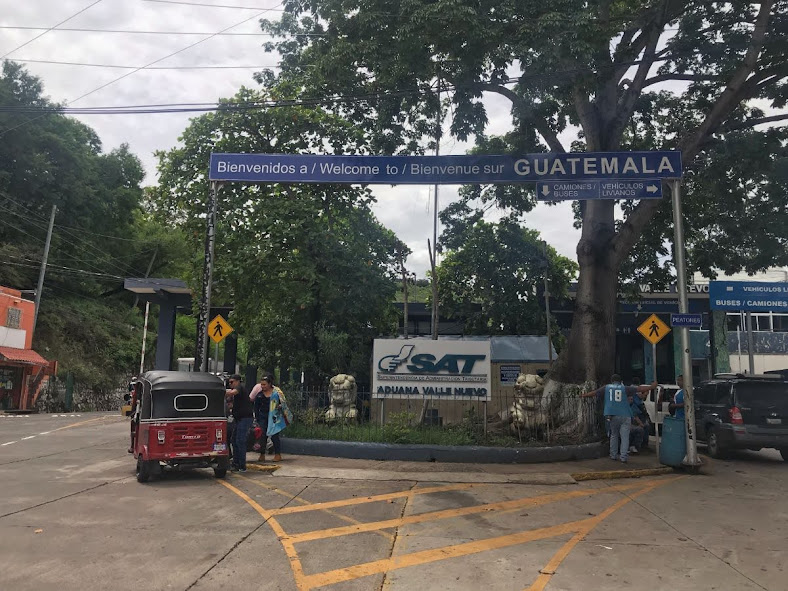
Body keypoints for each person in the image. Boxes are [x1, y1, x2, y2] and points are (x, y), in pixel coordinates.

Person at [581, 375, 656, 464]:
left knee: (614, 435)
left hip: (612, 415)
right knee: (625, 437)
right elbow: (639, 389)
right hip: (625, 414)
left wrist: (584, 395)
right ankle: (623, 457)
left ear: (612, 381)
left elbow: (595, 393)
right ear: (620, 381)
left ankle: (613, 455)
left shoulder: (607, 388)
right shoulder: (625, 388)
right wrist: (652, 387)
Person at [260, 374, 292, 462]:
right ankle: (262, 454)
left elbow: (283, 402)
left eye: (264, 384)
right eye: (261, 384)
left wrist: (280, 406)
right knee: (262, 436)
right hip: (263, 416)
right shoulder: (260, 393)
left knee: (274, 436)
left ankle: (277, 454)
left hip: (274, 417)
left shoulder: (277, 392)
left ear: (270, 384)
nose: (263, 386)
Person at [226, 374, 253, 472]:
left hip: (245, 418)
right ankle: (236, 463)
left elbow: (232, 393)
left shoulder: (240, 388)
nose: (230, 384)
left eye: (231, 382)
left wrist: (221, 392)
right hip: (239, 418)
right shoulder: (239, 391)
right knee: (234, 440)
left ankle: (241, 465)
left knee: (240, 440)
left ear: (237, 381)